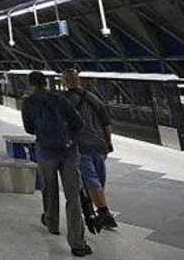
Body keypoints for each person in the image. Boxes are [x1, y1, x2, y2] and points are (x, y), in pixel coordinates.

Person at [22, 71, 90, 257]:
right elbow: (79, 123)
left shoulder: (28, 103)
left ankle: (52, 224)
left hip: (45, 152)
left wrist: (43, 133)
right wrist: (69, 140)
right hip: (68, 153)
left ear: (31, 84)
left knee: (49, 189)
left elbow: (29, 128)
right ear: (46, 83)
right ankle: (77, 243)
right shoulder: (60, 99)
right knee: (73, 197)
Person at [63, 69, 117, 230]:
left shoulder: (64, 100)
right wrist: (108, 142)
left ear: (65, 82)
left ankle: (103, 212)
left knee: (90, 178)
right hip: (100, 145)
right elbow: (106, 122)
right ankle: (97, 205)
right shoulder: (93, 98)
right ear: (78, 81)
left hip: (81, 145)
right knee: (99, 178)